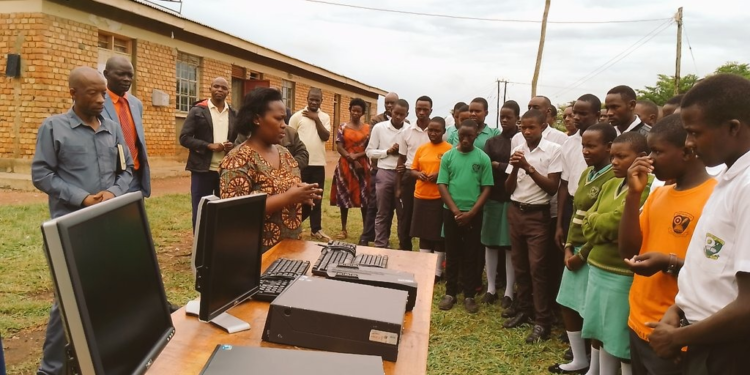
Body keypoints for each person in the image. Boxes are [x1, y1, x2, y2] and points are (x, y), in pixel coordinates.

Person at [33, 66, 134, 375]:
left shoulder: (112, 128)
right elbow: (41, 174)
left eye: (103, 92)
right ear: (73, 93)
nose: (102, 98)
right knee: (67, 297)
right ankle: (51, 369)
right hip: (71, 225)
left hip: (108, 222)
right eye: (93, 93)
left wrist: (113, 193)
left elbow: (127, 169)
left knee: (108, 288)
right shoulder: (54, 128)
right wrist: (82, 197)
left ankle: (100, 356)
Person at [647, 74, 750, 374]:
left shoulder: (747, 186)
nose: (689, 143)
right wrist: (678, 309)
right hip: (702, 336)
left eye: (694, 133)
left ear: (733, 128)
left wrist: (679, 337)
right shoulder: (729, 178)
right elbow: (713, 267)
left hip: (727, 351)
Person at [618, 114, 715, 375]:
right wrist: (633, 194)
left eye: (657, 151)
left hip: (675, 330)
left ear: (686, 152)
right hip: (640, 317)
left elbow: (715, 276)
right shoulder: (658, 194)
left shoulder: (714, 198)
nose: (648, 159)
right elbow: (628, 251)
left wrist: (668, 262)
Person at [580, 132, 653, 375]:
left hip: (621, 273)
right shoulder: (610, 182)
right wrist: (600, 224)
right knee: (599, 329)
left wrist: (596, 221)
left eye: (621, 157)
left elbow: (617, 223)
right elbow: (589, 225)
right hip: (597, 266)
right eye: (612, 156)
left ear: (641, 158)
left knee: (618, 335)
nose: (614, 162)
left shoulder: (648, 187)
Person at [548, 123, 617, 374]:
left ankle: (595, 368)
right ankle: (579, 359)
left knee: (592, 312)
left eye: (591, 145)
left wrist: (581, 254)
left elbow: (602, 223)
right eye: (583, 145)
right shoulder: (588, 173)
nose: (585, 151)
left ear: (609, 147)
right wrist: (568, 246)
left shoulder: (613, 176)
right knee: (568, 302)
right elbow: (577, 212)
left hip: (592, 252)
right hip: (574, 248)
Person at [220, 88, 322, 253]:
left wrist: (303, 196)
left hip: (290, 252)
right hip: (255, 256)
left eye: (285, 119)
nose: (284, 125)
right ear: (256, 119)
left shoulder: (285, 154)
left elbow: (289, 197)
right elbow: (235, 213)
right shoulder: (238, 160)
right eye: (278, 119)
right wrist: (288, 197)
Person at [502, 109, 562, 344]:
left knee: (538, 267)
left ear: (543, 125)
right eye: (523, 128)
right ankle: (524, 310)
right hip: (516, 211)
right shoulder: (517, 148)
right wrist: (516, 167)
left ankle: (542, 320)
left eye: (531, 128)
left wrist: (527, 166)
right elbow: (508, 189)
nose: (526, 132)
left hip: (538, 214)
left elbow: (552, 187)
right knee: (520, 265)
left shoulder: (553, 150)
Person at [437, 119, 493, 313]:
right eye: (462, 136)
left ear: (476, 135)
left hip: (473, 214)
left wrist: (472, 213)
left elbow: (487, 188)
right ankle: (450, 292)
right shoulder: (448, 156)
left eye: (470, 136)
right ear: (457, 135)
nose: (466, 139)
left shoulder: (482, 158)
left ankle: (469, 294)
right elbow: (442, 184)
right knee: (452, 254)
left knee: (471, 255)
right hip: (451, 212)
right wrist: (455, 211)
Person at [179, 77, 237, 228]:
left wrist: (233, 145)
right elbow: (184, 138)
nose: (219, 90)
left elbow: (240, 139)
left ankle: (217, 244)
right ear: (210, 89)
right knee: (200, 209)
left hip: (225, 171)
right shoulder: (198, 111)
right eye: (216, 86)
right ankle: (199, 246)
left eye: (223, 88)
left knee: (222, 209)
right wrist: (208, 146)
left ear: (227, 92)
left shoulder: (233, 114)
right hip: (202, 169)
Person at [482, 100, 521, 308]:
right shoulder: (492, 141)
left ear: (517, 118)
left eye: (509, 117)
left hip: (512, 198)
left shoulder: (521, 141)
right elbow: (488, 167)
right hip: (493, 196)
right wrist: (504, 166)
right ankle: (490, 288)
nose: (504, 120)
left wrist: (500, 165)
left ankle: (508, 291)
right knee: (490, 243)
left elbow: (521, 168)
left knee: (508, 246)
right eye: (502, 116)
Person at [555, 95, 602, 251]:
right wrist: (560, 223)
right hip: (572, 205)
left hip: (597, 207)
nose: (576, 117)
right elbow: (564, 184)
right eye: (575, 112)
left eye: (583, 114)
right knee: (570, 253)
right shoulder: (568, 144)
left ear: (597, 115)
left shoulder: (609, 142)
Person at [410, 117, 452, 281]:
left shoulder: (449, 150)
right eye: (431, 130)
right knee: (423, 234)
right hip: (421, 196)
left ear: (443, 132)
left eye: (437, 130)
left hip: (439, 197)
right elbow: (412, 169)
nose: (433, 133)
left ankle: (436, 272)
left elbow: (451, 173)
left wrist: (439, 175)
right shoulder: (422, 149)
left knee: (437, 236)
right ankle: (424, 269)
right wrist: (418, 174)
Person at [102, 56, 151, 197]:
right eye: (120, 74)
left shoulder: (136, 104)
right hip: (110, 178)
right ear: (106, 74)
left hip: (134, 175)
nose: (126, 79)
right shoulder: (97, 103)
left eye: (130, 75)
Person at [288, 88, 331, 241]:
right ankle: (294, 225)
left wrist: (316, 119)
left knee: (317, 197)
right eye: (311, 99)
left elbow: (325, 136)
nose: (314, 102)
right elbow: (289, 140)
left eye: (317, 100)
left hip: (318, 163)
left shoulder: (325, 117)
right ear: (307, 98)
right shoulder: (296, 117)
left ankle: (316, 229)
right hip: (300, 164)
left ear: (321, 100)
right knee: (298, 196)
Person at [366, 99, 409, 248]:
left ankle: (403, 245)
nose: (398, 117)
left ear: (406, 115)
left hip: (403, 174)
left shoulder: (409, 130)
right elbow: (369, 151)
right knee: (383, 211)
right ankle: (381, 244)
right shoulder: (379, 128)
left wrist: (402, 154)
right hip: (384, 172)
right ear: (391, 112)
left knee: (402, 214)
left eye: (401, 114)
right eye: (395, 113)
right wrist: (387, 151)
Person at [360, 92, 401, 246]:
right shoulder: (377, 122)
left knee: (395, 210)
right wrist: (388, 151)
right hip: (379, 170)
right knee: (376, 206)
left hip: (398, 172)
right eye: (387, 103)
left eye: (393, 103)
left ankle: (389, 239)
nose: (389, 106)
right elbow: (371, 147)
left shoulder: (407, 125)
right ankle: (368, 237)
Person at [330, 98, 371, 240]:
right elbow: (339, 147)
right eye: (353, 110)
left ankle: (366, 230)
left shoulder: (368, 129)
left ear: (362, 113)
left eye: (358, 111)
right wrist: (351, 158)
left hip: (363, 166)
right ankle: (343, 229)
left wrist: (357, 156)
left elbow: (370, 148)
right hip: (345, 166)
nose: (355, 113)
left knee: (364, 197)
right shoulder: (342, 127)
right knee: (344, 197)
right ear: (349, 110)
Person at [396, 96, 433, 251]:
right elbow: (401, 159)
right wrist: (398, 187)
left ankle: (427, 253)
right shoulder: (406, 131)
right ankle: (405, 250)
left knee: (428, 218)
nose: (422, 112)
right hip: (410, 177)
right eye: (419, 109)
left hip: (431, 179)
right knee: (406, 217)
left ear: (431, 110)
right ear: (415, 109)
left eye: (425, 109)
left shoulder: (436, 130)